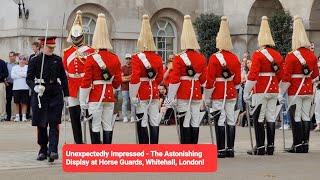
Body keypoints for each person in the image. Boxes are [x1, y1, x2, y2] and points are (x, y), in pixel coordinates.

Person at [278, 16, 319, 153]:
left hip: (295, 90)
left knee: (296, 117)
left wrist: (280, 92)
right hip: (307, 89)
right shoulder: (312, 55)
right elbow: (315, 75)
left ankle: (297, 145)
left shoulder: (291, 55)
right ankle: (305, 144)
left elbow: (286, 77)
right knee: (306, 116)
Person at [243, 16, 283, 156]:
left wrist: (246, 92)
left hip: (261, 89)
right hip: (273, 89)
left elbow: (253, 75)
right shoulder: (277, 55)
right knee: (271, 117)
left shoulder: (258, 54)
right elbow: (280, 75)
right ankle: (270, 147)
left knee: (259, 118)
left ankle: (260, 147)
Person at [79, 13, 122, 144]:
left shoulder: (91, 58)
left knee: (95, 125)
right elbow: (117, 82)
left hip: (95, 96)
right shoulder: (114, 58)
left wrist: (82, 100)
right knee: (108, 125)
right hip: (109, 95)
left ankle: (97, 154)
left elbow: (86, 81)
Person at [26, 36, 69, 162]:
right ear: (42, 46)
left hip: (55, 92)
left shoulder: (57, 59)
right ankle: (43, 149)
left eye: (52, 47)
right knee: (42, 123)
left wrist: (66, 94)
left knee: (54, 123)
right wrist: (35, 87)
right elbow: (28, 79)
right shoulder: (35, 60)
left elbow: (63, 77)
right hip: (41, 94)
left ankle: (53, 150)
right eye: (49, 47)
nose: (51, 49)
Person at [204, 16, 241, 158]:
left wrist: (207, 96)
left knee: (220, 120)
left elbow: (210, 79)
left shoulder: (214, 58)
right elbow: (237, 80)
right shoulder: (234, 58)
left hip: (219, 92)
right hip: (231, 92)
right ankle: (230, 149)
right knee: (231, 119)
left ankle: (220, 150)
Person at [167, 15, 207, 144]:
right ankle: (194, 147)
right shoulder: (201, 58)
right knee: (195, 120)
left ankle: (186, 148)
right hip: (195, 92)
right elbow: (204, 80)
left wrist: (171, 97)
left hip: (183, 92)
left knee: (184, 120)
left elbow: (175, 79)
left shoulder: (179, 58)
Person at [129, 14, 164, 144]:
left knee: (142, 120)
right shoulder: (157, 58)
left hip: (142, 92)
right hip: (153, 91)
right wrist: (153, 83)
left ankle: (144, 147)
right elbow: (160, 76)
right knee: (154, 120)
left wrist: (133, 96)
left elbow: (135, 77)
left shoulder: (137, 57)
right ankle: (154, 147)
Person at [63, 10, 95, 144]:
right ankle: (78, 141)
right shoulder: (67, 52)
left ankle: (94, 140)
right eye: (74, 37)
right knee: (74, 115)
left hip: (85, 85)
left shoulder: (90, 50)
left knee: (90, 115)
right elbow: (65, 69)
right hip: (72, 85)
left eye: (78, 37)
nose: (75, 40)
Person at [11, 54, 29, 122]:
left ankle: (24, 116)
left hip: (25, 87)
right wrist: (22, 75)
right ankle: (17, 116)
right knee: (16, 102)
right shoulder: (15, 67)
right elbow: (13, 76)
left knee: (24, 103)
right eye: (20, 59)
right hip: (16, 88)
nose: (21, 61)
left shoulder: (27, 67)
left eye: (23, 59)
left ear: (25, 61)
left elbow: (27, 75)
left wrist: (18, 74)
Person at [121, 53, 135, 123]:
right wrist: (130, 77)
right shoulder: (122, 68)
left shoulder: (134, 67)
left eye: (130, 59)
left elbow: (134, 77)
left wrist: (126, 77)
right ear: (125, 59)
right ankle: (124, 116)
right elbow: (122, 79)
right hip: (124, 88)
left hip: (133, 87)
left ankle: (132, 116)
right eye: (127, 59)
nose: (128, 60)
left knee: (133, 102)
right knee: (125, 102)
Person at [6, 51, 18, 121]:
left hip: (17, 84)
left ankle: (18, 115)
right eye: (10, 56)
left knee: (17, 101)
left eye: (13, 56)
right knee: (8, 100)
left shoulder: (18, 64)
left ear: (15, 57)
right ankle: (8, 116)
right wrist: (5, 81)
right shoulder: (6, 64)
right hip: (9, 84)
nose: (12, 57)